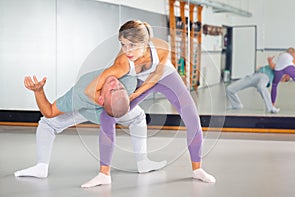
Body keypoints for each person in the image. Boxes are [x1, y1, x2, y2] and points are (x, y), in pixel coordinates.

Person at [81, 20, 216, 188]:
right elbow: (90, 89)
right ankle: (104, 174)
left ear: (145, 43)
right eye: (123, 45)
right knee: (107, 117)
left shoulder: (161, 47)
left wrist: (136, 94)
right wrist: (103, 102)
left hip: (166, 76)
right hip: (139, 81)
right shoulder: (122, 63)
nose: (127, 51)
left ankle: (197, 170)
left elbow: (156, 76)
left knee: (192, 117)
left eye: (132, 45)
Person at [14, 69, 166, 179]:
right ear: (100, 99)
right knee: (47, 123)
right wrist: (38, 92)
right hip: (86, 109)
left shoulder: (127, 84)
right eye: (116, 89)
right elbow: (49, 112)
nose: (116, 84)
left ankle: (143, 162)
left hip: (112, 108)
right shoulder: (82, 94)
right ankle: (41, 167)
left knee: (138, 116)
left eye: (118, 89)